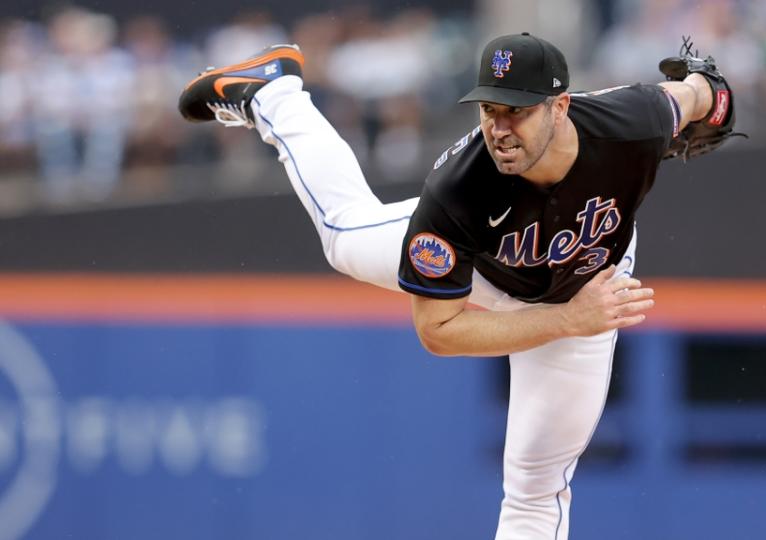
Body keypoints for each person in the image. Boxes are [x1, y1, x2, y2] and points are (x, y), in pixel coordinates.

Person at [179, 32, 732, 539]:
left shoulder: (633, 121)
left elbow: (697, 93)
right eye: (491, 109)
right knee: (344, 238)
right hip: (489, 280)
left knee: (537, 492)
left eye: (515, 111)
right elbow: (439, 331)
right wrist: (568, 321)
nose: (498, 127)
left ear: (560, 106)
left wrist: (714, 93)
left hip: (589, 286)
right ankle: (275, 93)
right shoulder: (459, 188)